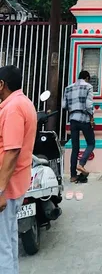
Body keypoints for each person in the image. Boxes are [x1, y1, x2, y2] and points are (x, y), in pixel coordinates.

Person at [0, 65, 37, 274]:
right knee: (9, 239)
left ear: (2, 84)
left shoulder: (13, 108)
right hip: (16, 183)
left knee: (2, 246)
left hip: (8, 187)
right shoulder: (23, 102)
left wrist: (0, 191)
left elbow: (12, 151)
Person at [63, 70, 95, 182]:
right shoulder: (88, 87)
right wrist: (91, 117)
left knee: (75, 148)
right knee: (91, 143)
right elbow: (89, 105)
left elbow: (64, 105)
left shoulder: (68, 88)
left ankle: (73, 176)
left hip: (73, 120)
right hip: (84, 119)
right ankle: (81, 164)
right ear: (86, 77)